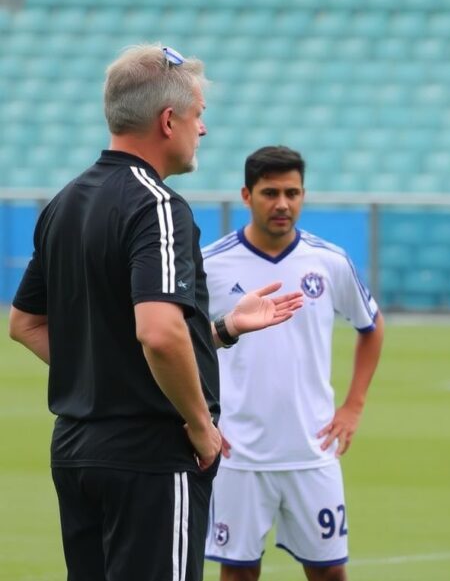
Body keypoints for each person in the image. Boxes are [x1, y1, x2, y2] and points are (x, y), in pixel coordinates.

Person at [7, 44, 303, 581]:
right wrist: (199, 426)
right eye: (198, 116)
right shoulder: (158, 206)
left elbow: (26, 324)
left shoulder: (65, 202)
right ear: (169, 121)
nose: (203, 131)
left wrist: (223, 330)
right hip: (148, 454)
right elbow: (158, 334)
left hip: (76, 450)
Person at [202, 146, 384, 581]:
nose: (282, 203)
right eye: (270, 193)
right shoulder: (211, 263)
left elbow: (371, 327)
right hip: (237, 452)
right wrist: (199, 416)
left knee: (329, 574)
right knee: (239, 574)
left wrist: (353, 406)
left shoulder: (329, 261)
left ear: (303, 194)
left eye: (292, 192)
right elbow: (184, 342)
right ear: (246, 195)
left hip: (311, 449)